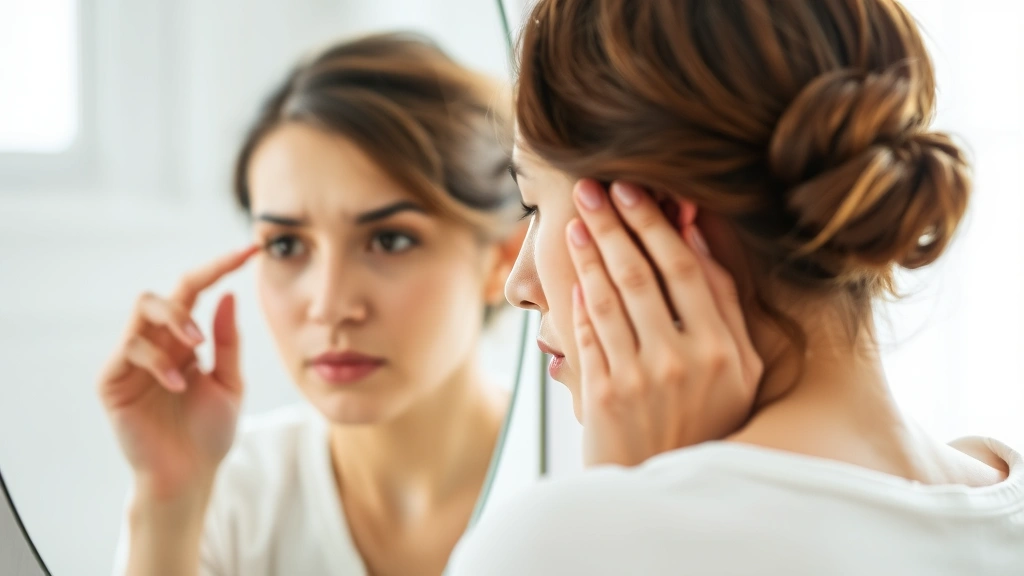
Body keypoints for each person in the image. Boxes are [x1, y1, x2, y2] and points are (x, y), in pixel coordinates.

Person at [448, 0, 1024, 574]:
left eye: (534, 204)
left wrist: (619, 508)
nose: (520, 286)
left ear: (660, 218)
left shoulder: (553, 547)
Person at [99, 32, 524, 576]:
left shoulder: (570, 473)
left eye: (390, 240)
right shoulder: (230, 495)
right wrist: (168, 502)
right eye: (286, 246)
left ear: (502, 259)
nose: (328, 306)